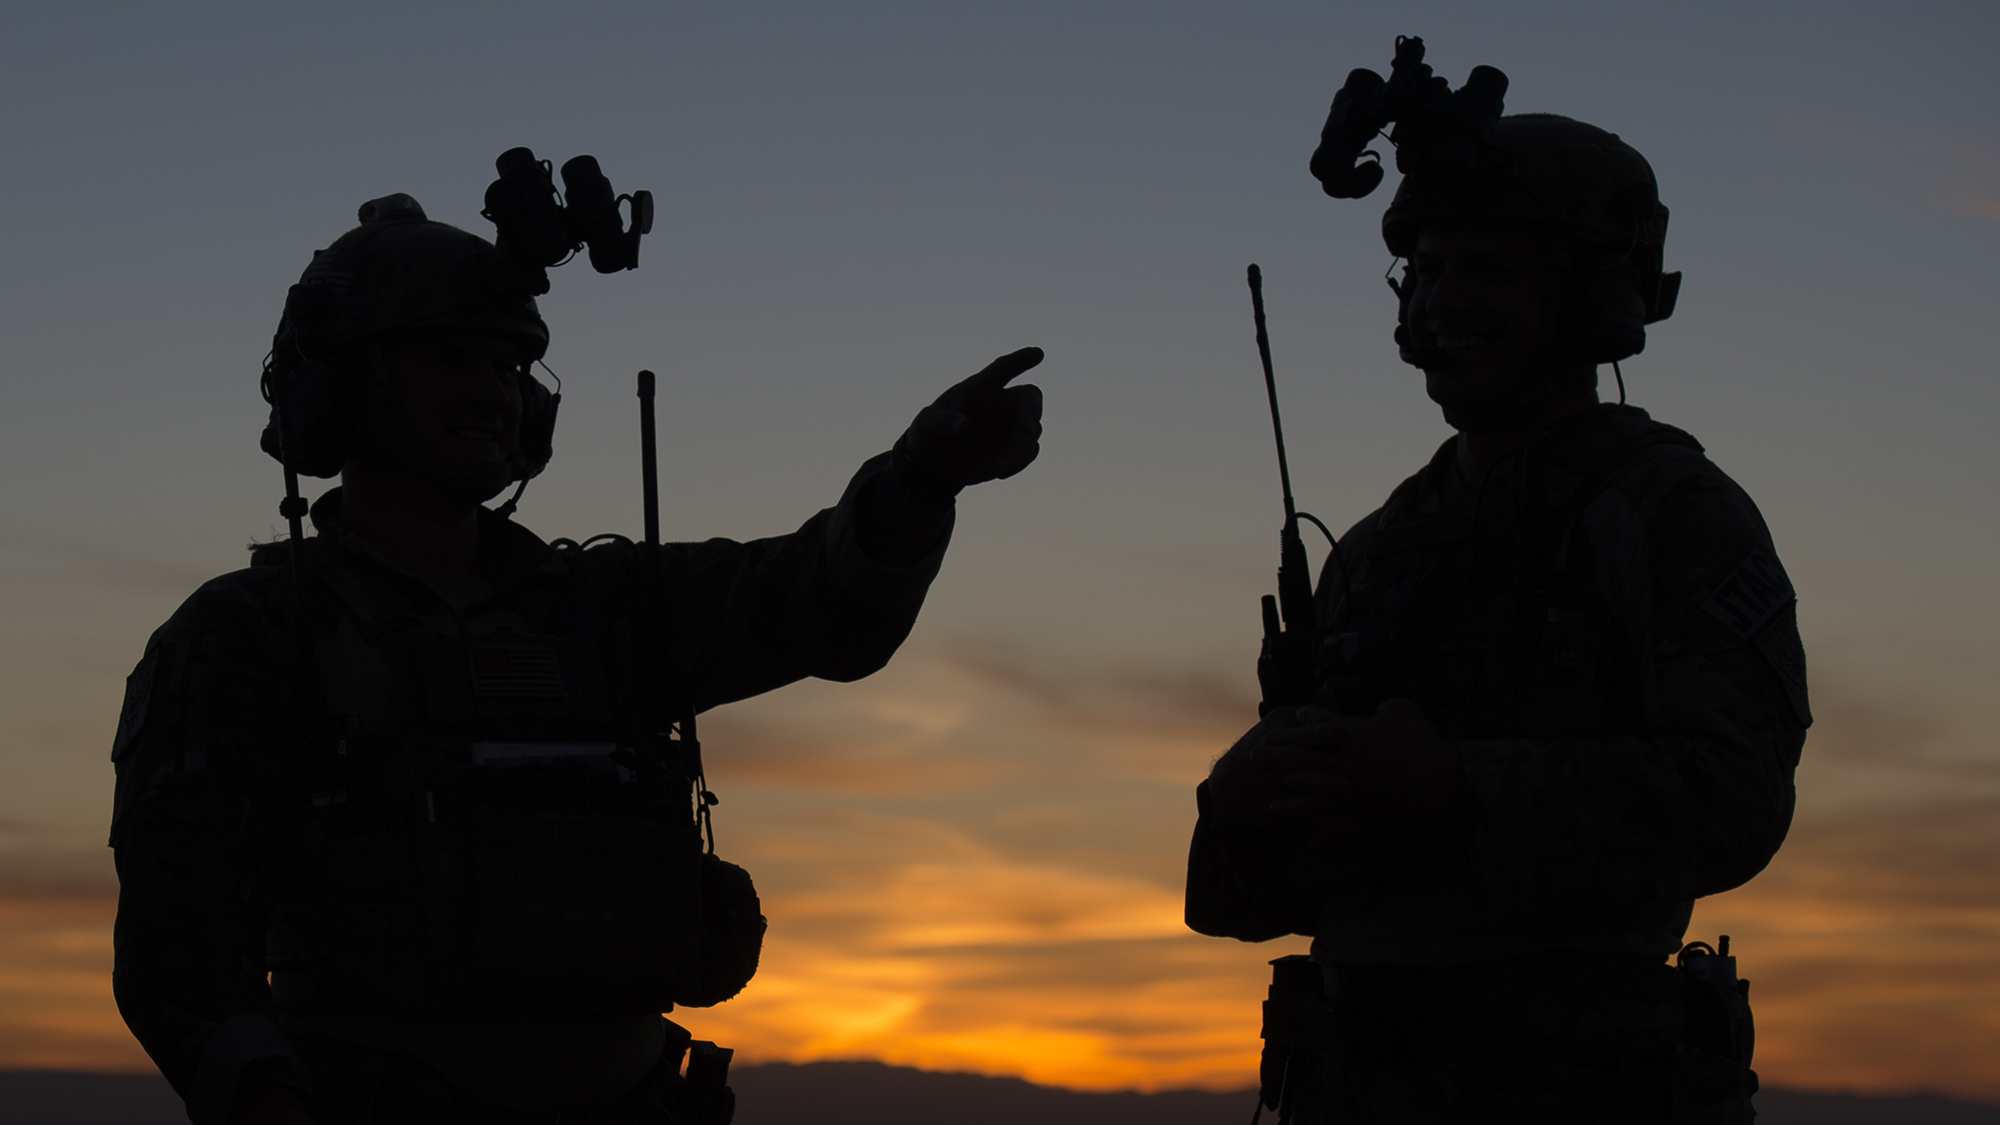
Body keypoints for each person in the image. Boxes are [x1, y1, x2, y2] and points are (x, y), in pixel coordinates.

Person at [109, 188, 1044, 1124]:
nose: (492, 392)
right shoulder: (246, 636)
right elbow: (180, 960)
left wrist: (921, 479)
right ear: (342, 391)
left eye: (509, 363)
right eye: (447, 361)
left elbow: (822, 608)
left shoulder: (607, 612)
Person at [1185, 43, 1808, 1124]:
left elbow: (1732, 800)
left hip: (1570, 1087)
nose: (1438, 302)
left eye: (1484, 269)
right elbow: (1265, 893)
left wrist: (1453, 786)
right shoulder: (1380, 546)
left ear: (1586, 300)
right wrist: (1236, 804)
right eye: (1424, 270)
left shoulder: (1666, 513)